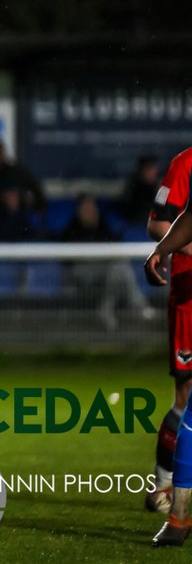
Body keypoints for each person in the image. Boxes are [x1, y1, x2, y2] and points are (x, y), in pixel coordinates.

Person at [142, 147, 192, 521]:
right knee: (187, 397)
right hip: (190, 294)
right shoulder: (184, 163)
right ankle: (163, 483)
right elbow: (160, 223)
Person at [60, 194, 154, 330]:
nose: (89, 210)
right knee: (119, 268)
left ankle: (106, 309)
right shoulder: (72, 229)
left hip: (104, 271)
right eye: (85, 207)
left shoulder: (102, 225)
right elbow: (67, 260)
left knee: (119, 268)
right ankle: (139, 306)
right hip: (80, 273)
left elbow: (112, 246)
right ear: (79, 209)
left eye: (91, 206)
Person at [122, 154, 162, 225]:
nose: (152, 172)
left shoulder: (157, 186)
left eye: (154, 169)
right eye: (149, 169)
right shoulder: (136, 189)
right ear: (141, 170)